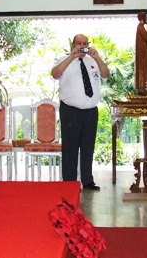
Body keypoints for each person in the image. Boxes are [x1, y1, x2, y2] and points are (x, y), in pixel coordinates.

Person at [51, 34, 110, 190]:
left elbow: (106, 74)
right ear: (73, 44)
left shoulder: (93, 61)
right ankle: (69, 182)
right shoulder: (65, 60)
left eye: (85, 43)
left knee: (88, 147)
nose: (82, 46)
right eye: (79, 43)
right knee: (70, 148)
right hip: (70, 111)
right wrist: (72, 57)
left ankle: (87, 180)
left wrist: (97, 58)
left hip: (90, 111)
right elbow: (55, 74)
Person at [134, 11, 147, 95]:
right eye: (145, 17)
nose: (146, 19)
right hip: (141, 51)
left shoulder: (141, 26)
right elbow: (145, 37)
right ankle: (142, 87)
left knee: (144, 66)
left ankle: (145, 86)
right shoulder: (140, 27)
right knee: (142, 67)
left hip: (143, 50)